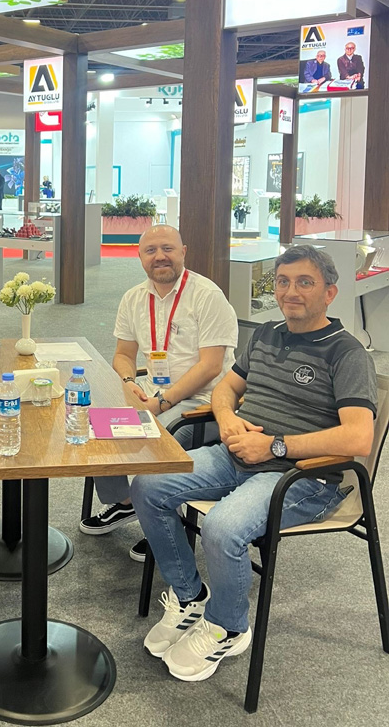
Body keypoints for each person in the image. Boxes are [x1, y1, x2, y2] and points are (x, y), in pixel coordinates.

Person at [131, 244, 376, 683]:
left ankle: (228, 627)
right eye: (283, 282)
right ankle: (189, 596)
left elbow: (358, 436)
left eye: (304, 282)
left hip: (301, 477)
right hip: (237, 454)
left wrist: (274, 447)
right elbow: (226, 388)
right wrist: (227, 420)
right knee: (148, 484)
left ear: (329, 292)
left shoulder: (346, 352)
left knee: (223, 527)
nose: (290, 292)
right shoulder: (265, 333)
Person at [80, 225, 238, 562]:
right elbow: (124, 354)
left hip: (205, 402)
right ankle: (127, 502)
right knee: (94, 422)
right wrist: (128, 382)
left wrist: (162, 402)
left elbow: (211, 366)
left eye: (167, 248)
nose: (160, 257)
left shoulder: (207, 296)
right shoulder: (134, 298)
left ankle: (165, 524)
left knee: (156, 437)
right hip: (152, 393)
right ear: (140, 257)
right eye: (150, 251)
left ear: (183, 252)